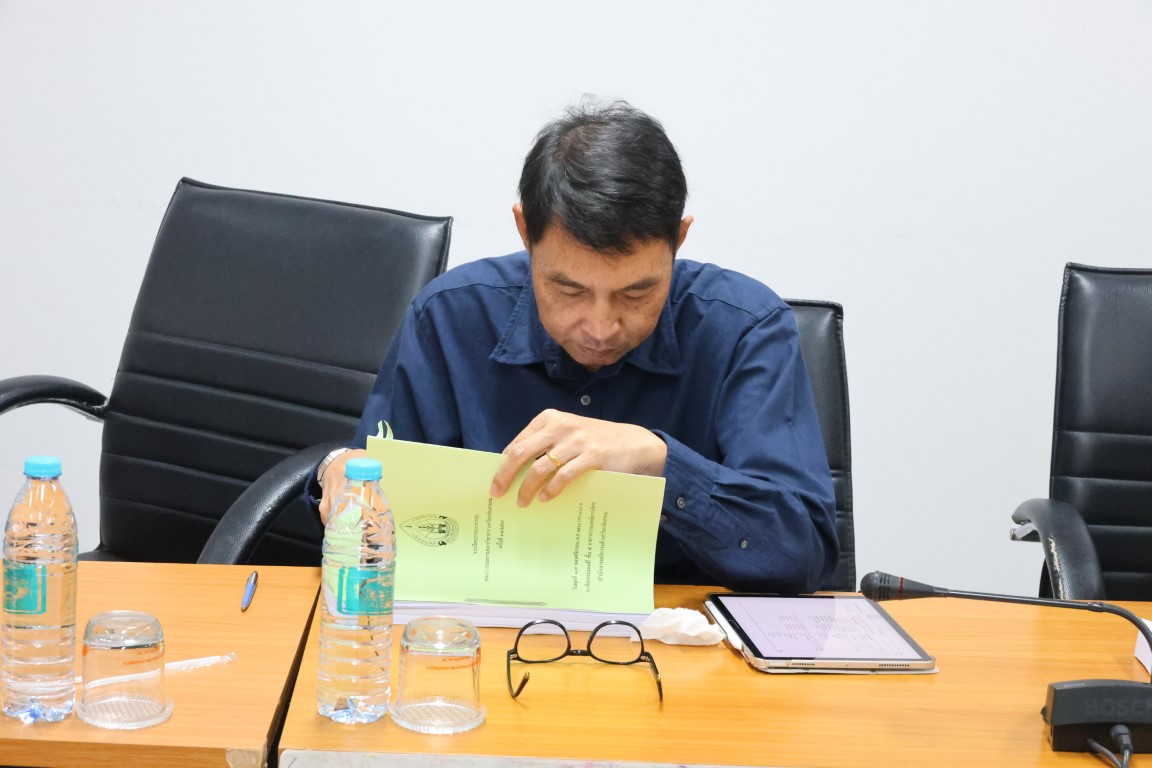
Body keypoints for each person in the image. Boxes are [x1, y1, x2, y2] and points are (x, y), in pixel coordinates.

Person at [314, 99, 838, 593]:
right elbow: (372, 508)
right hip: (481, 630)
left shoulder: (746, 329)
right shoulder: (450, 318)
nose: (601, 327)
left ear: (679, 238)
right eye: (568, 290)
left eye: (636, 292)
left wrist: (660, 462)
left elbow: (803, 554)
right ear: (525, 231)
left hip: (682, 637)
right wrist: (338, 472)